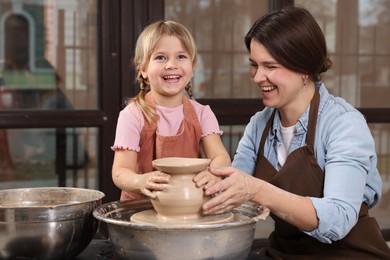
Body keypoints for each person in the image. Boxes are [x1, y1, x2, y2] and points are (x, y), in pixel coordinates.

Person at [194, 7, 390, 259]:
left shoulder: (344, 124)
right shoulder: (259, 125)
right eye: (254, 65)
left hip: (349, 254)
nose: (257, 77)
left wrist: (256, 189)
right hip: (284, 252)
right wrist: (211, 188)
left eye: (270, 66)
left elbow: (339, 219)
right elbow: (238, 197)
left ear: (304, 68)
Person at [111, 21, 231, 201]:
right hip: (138, 210)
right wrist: (139, 181)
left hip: (187, 204)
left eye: (181, 56)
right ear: (143, 69)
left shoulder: (202, 113)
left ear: (192, 67)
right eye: (160, 57)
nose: (171, 65)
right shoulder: (132, 115)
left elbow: (221, 157)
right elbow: (120, 171)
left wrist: (214, 173)